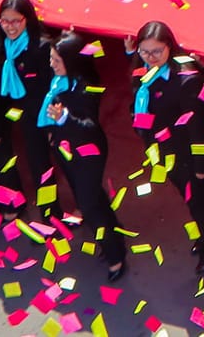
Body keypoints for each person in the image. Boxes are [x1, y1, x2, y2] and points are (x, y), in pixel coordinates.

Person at [127, 20, 204, 273]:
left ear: (170, 47)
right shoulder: (144, 67)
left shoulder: (185, 78)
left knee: (200, 202)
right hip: (164, 152)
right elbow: (138, 93)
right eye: (144, 51)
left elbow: (197, 128)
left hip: (189, 156)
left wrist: (203, 165)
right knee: (190, 200)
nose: (150, 57)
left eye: (157, 51)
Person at [38, 33, 129, 281]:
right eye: (52, 58)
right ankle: (114, 236)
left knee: (89, 207)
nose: (52, 64)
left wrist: (64, 118)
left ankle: (115, 255)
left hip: (88, 152)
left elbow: (89, 125)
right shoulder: (59, 81)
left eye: (57, 60)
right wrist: (53, 132)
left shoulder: (86, 86)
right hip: (65, 150)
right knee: (92, 198)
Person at [0, 0, 52, 211]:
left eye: (16, 21)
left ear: (28, 19)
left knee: (41, 167)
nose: (10, 27)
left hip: (41, 116)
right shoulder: (3, 45)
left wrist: (50, 122)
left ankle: (51, 214)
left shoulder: (42, 48)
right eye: (5, 21)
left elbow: (52, 88)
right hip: (18, 111)